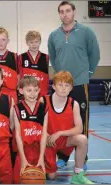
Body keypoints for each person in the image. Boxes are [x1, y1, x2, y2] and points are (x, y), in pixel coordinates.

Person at [48, 1, 100, 169]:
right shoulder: (54, 35)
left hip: (79, 84)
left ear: (74, 12)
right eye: (61, 12)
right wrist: (61, 79)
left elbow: (95, 56)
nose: (65, 14)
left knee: (81, 122)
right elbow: (54, 59)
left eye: (68, 11)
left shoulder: (86, 32)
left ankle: (82, 158)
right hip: (61, 87)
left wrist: (87, 74)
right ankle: (62, 156)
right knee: (59, 122)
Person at [44, 71, 94, 184]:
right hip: (47, 141)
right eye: (60, 85)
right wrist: (47, 136)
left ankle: (78, 174)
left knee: (82, 139)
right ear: (53, 86)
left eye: (67, 85)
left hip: (63, 140)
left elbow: (79, 129)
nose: (63, 88)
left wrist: (60, 133)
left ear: (71, 88)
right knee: (51, 177)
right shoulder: (44, 101)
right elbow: (37, 124)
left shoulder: (73, 104)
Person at [13, 76, 48, 183]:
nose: (32, 94)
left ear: (39, 91)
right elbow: (18, 136)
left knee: (38, 179)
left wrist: (41, 157)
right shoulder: (17, 108)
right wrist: (23, 159)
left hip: (39, 150)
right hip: (23, 151)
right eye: (29, 90)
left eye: (35, 90)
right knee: (19, 179)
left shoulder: (44, 107)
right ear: (21, 91)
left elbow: (44, 134)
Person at [18, 31, 49, 98]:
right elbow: (19, 76)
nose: (34, 44)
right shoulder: (21, 57)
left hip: (42, 93)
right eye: (31, 42)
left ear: (40, 42)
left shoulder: (46, 57)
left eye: (36, 42)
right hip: (27, 94)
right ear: (27, 43)